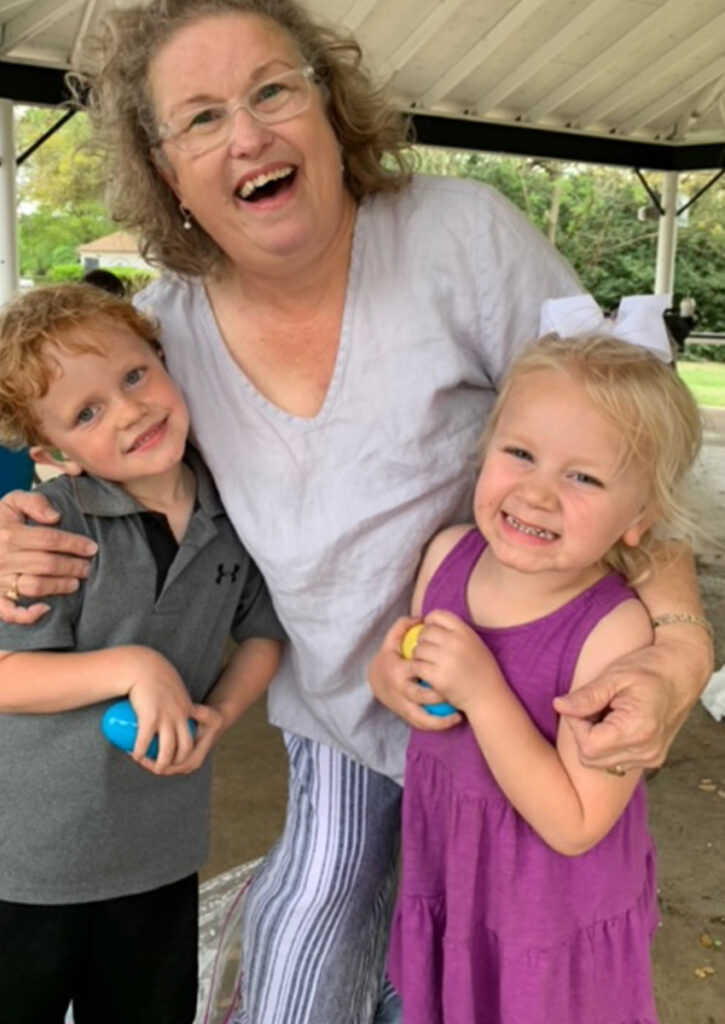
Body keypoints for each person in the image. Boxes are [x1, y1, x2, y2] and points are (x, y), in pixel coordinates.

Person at [0, 2, 712, 1022]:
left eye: (271, 90)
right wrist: (13, 523)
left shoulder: (460, 236)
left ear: (329, 104)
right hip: (337, 709)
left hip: (509, 712)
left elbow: (624, 444)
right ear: (165, 169)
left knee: (463, 955)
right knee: (313, 911)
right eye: (199, 119)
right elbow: (61, 435)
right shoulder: (154, 346)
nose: (245, 135)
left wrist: (677, 647)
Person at [378, 321, 706, 1023]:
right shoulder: (446, 557)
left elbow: (578, 823)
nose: (536, 492)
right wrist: (391, 677)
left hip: (547, 912)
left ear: (638, 517)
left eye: (583, 476)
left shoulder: (613, 631)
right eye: (519, 453)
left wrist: (482, 691)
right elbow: (404, 656)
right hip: (455, 874)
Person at [0, 283, 284, 1024]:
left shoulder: (234, 511)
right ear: (51, 451)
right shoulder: (49, 531)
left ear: (164, 360)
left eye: (134, 377)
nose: (130, 412)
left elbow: (262, 632)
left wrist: (221, 713)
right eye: (87, 413)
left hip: (160, 851)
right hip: (28, 865)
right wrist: (137, 665)